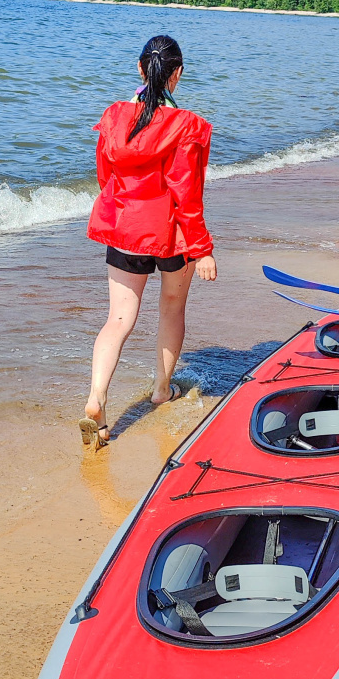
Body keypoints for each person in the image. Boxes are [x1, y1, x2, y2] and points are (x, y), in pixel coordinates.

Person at [80, 34, 217, 448]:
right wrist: (203, 249)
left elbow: (105, 175)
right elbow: (187, 193)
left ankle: (96, 396)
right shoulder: (186, 125)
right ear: (178, 74)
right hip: (172, 233)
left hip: (125, 225)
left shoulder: (114, 116)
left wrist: (125, 209)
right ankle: (161, 390)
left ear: (140, 68)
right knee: (172, 309)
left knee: (118, 319)